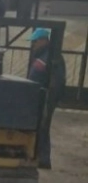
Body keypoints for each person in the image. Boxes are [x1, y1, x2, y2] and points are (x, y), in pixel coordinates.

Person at [27, 28, 66, 170]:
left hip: (46, 97)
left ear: (44, 40)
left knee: (43, 126)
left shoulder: (52, 57)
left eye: (35, 41)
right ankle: (36, 155)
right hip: (39, 95)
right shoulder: (42, 55)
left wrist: (50, 98)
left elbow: (57, 80)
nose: (33, 44)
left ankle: (43, 159)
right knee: (38, 126)